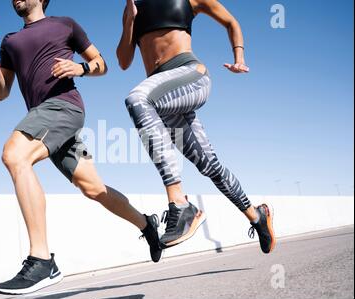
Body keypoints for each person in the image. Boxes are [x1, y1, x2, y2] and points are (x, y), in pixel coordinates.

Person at [0, 0, 162, 295]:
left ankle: (41, 259)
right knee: (94, 189)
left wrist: (80, 67)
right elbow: (1, 92)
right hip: (46, 120)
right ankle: (146, 224)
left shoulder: (65, 24)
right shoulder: (11, 42)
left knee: (14, 155)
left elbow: (102, 64)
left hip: (64, 108)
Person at [117, 0, 276, 252]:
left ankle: (179, 204)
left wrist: (239, 57)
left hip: (190, 75)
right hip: (164, 95)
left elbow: (230, 21)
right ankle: (257, 216)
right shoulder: (132, 6)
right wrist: (129, 19)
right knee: (209, 165)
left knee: (137, 99)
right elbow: (124, 61)